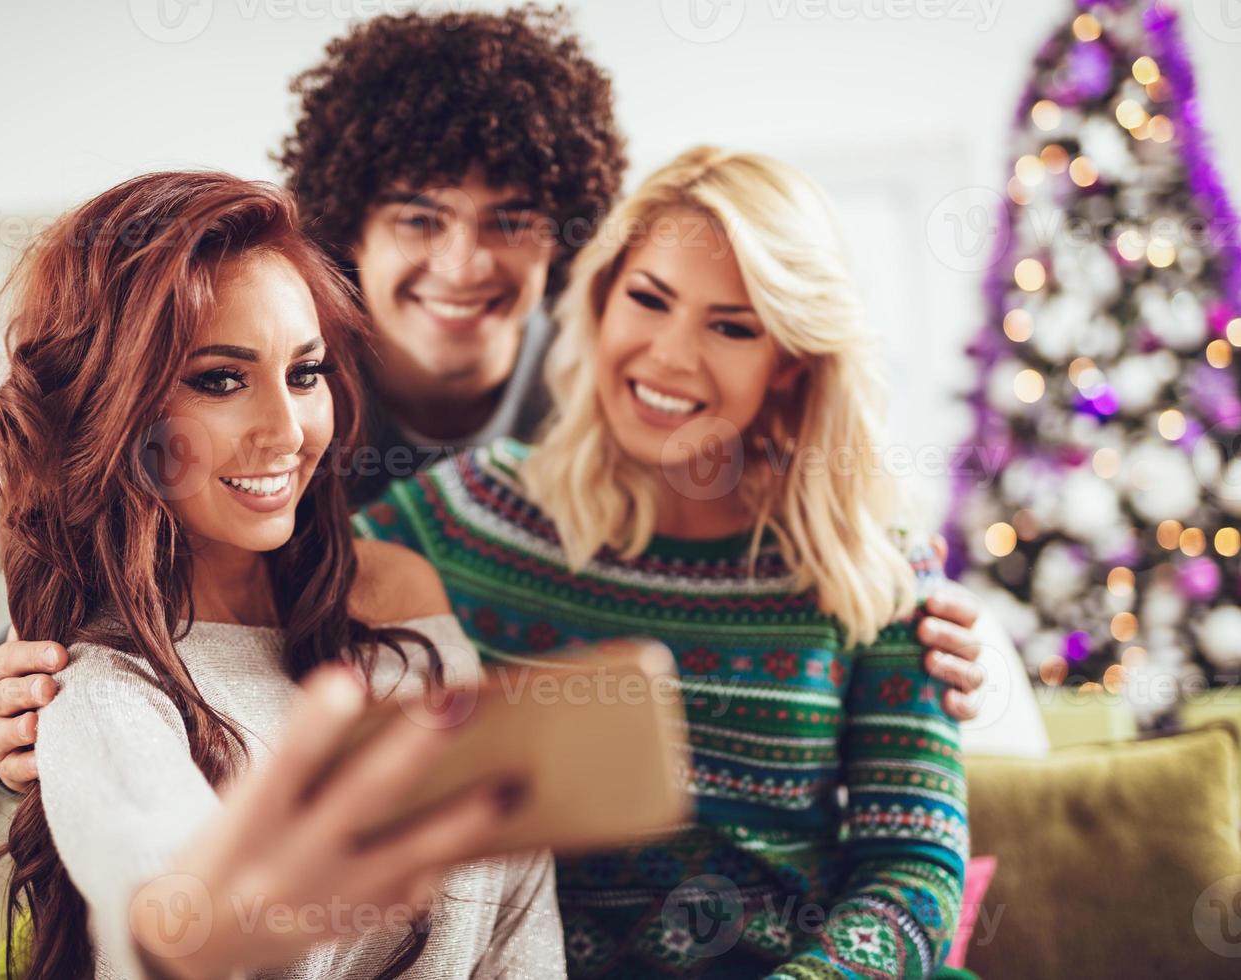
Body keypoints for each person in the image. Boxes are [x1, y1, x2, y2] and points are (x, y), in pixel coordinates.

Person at [0, 5, 989, 801]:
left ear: (567, 236)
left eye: (511, 220)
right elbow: (114, 590)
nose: (463, 263)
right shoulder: (274, 402)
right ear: (351, 225)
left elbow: (800, 547)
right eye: (419, 218)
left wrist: (916, 616)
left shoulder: (624, 401)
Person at [353, 147, 971, 978]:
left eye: (733, 326)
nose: (671, 357)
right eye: (649, 300)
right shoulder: (459, 516)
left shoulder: (873, 572)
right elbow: (249, 602)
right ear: (602, 303)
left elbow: (916, 871)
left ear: (789, 361)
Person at [0, 170, 564, 979]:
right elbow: (173, 917)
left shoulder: (397, 593)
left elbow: (517, 903)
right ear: (112, 407)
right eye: (220, 379)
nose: (286, 431)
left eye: (305, 373)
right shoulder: (98, 686)